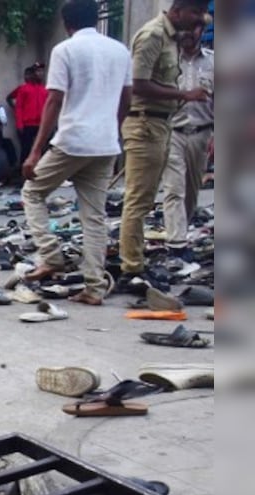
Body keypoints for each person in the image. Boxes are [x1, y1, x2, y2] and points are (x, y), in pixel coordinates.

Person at [21, 0, 132, 306]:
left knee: (32, 192)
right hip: (106, 143)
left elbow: (54, 100)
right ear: (96, 18)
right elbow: (127, 100)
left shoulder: (65, 50)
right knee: (94, 217)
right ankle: (94, 288)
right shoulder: (119, 50)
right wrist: (113, 128)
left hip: (72, 140)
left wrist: (35, 151)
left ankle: (51, 256)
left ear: (67, 22)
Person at [118, 0, 210, 285]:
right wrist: (184, 95)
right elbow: (138, 83)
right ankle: (132, 267)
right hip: (148, 124)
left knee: (149, 200)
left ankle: (136, 263)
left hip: (167, 126)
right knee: (143, 199)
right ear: (179, 10)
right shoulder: (153, 35)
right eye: (195, 14)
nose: (198, 22)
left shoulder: (168, 38)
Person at [158, 21, 213, 255]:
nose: (189, 32)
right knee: (174, 188)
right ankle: (176, 242)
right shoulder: (166, 62)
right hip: (173, 132)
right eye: (185, 28)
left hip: (202, 133)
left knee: (191, 191)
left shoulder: (214, 62)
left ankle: (183, 229)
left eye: (194, 28)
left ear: (201, 30)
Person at [8, 64, 49, 162]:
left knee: (42, 149)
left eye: (41, 72)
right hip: (27, 125)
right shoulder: (24, 89)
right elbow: (19, 107)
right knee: (26, 149)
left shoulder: (45, 90)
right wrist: (19, 124)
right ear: (32, 74)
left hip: (41, 124)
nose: (40, 74)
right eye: (38, 72)